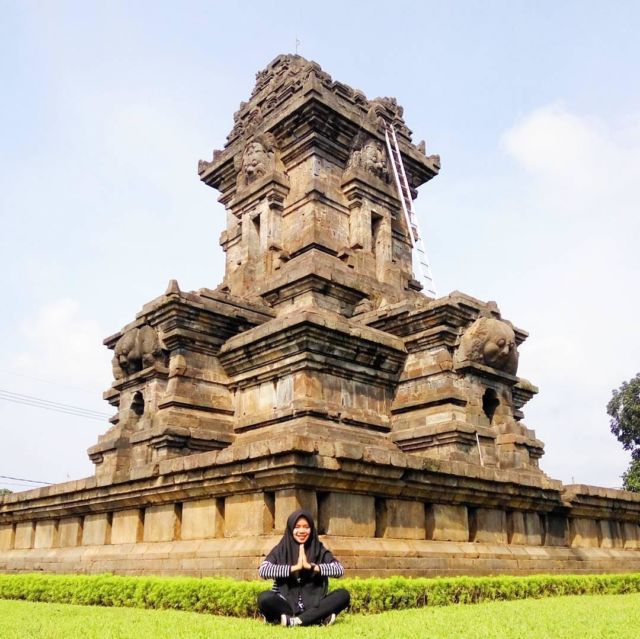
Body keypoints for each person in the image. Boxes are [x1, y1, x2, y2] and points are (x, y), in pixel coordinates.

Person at [257, 509, 350, 627]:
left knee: (343, 595)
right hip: (286, 604)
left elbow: (339, 570)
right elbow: (263, 570)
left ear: (311, 529)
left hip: (315, 603)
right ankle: (316, 618)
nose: (302, 531)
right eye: (297, 527)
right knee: (264, 598)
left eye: (306, 527)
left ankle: (295, 621)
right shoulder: (281, 549)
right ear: (291, 529)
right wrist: (294, 568)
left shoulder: (318, 548)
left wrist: (312, 567)